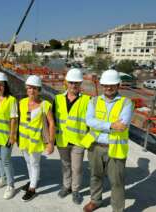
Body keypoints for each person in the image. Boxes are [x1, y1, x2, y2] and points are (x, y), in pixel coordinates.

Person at [82, 69, 134, 212]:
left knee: (117, 181)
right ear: (102, 85)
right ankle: (95, 201)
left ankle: (117, 209)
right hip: (95, 146)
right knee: (95, 176)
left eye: (112, 85)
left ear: (118, 85)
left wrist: (100, 124)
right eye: (105, 85)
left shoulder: (126, 103)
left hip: (115, 147)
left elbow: (122, 126)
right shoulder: (94, 101)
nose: (108, 88)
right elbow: (89, 121)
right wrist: (111, 125)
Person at [53, 68, 90, 204]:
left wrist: (87, 141)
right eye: (71, 82)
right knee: (65, 165)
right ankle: (66, 186)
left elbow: (91, 123)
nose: (74, 85)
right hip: (62, 139)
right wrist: (50, 140)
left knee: (77, 167)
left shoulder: (87, 100)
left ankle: (75, 190)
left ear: (80, 84)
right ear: (66, 83)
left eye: (77, 83)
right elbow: (52, 121)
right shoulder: (57, 99)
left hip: (79, 141)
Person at [18, 75, 55, 202]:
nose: (31, 91)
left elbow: (51, 123)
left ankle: (32, 189)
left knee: (34, 163)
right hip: (24, 140)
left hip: (36, 141)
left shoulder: (45, 105)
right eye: (29, 88)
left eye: (34, 88)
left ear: (39, 90)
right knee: (28, 162)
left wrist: (50, 143)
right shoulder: (22, 103)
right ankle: (32, 181)